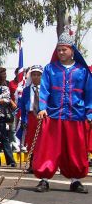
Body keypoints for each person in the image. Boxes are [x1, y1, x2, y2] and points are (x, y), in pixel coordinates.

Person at [33, 31, 91, 194]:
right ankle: (44, 179)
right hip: (53, 115)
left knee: (75, 150)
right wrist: (42, 108)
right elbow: (44, 90)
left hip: (76, 115)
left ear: (72, 50)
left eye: (64, 50)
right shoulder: (50, 69)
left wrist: (89, 113)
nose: (61, 53)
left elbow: (89, 94)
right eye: (58, 50)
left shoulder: (82, 71)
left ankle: (76, 180)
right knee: (48, 149)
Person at [17, 65, 43, 172]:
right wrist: (24, 119)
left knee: (42, 141)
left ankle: (42, 164)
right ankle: (32, 164)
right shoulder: (26, 90)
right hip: (31, 117)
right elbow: (23, 107)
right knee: (31, 141)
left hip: (43, 117)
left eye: (38, 75)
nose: (36, 77)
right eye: (33, 75)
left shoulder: (46, 90)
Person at [0, 69, 16, 167]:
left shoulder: (4, 88)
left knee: (4, 138)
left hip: (0, 116)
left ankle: (10, 160)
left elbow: (6, 99)